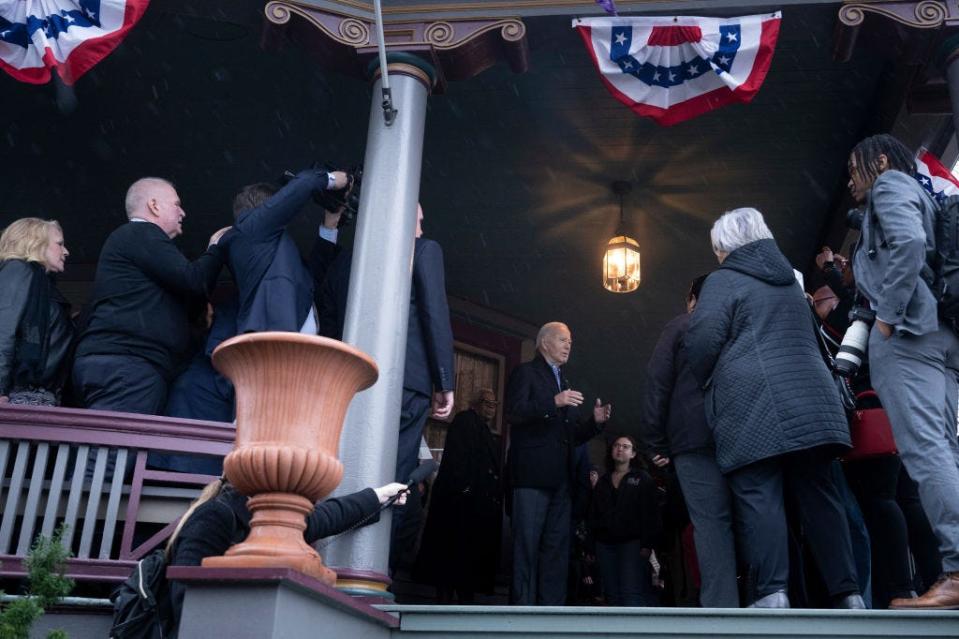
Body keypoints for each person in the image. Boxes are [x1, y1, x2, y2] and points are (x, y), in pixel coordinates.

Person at [685, 207, 864, 609]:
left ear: (724, 246)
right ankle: (848, 592)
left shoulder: (723, 281)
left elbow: (701, 343)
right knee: (821, 495)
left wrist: (710, 379)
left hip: (754, 405)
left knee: (758, 492)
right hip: (812, 402)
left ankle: (772, 593)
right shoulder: (789, 279)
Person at [846, 133, 959, 609]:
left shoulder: (891, 186)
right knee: (947, 449)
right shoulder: (922, 196)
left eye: (854, 169)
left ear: (883, 161)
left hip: (908, 336)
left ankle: (956, 571)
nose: (850, 180)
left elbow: (909, 242)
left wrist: (887, 317)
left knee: (926, 451)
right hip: (940, 335)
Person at [319, 204, 456, 487]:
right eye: (419, 221)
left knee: (347, 470)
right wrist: (444, 382)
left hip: (350, 384)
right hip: (404, 382)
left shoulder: (343, 263)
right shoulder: (424, 250)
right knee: (393, 478)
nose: (422, 229)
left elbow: (330, 329)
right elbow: (435, 316)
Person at [165, 478, 409, 635]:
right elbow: (184, 598)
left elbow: (326, 516)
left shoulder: (268, 514)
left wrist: (377, 496)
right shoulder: (215, 515)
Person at [72, 178, 230, 415]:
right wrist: (216, 247)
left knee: (116, 447)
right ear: (154, 205)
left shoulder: (131, 244)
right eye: (177, 204)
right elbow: (193, 280)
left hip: (120, 364)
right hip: (128, 365)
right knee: (117, 448)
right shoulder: (140, 233)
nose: (183, 212)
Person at [641, 274, 739, 608]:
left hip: (693, 438)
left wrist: (654, 441)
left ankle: (721, 609)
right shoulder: (738, 328)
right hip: (741, 434)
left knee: (710, 523)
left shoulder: (681, 326)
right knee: (751, 515)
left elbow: (657, 381)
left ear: (691, 298)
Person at [505, 321, 612, 605]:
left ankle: (550, 613)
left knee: (556, 551)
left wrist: (595, 424)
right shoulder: (525, 373)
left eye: (570, 341)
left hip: (561, 481)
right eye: (563, 339)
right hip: (530, 476)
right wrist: (553, 402)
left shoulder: (563, 382)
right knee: (526, 548)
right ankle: (521, 615)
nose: (568, 345)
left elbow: (571, 436)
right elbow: (514, 413)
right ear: (544, 343)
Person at [225, 167, 349, 335]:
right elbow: (305, 182)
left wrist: (330, 225)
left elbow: (311, 281)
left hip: (296, 352)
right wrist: (334, 179)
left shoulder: (275, 253)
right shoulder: (251, 228)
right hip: (275, 348)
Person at [416, 388, 503, 603]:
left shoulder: (484, 429)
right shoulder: (465, 421)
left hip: (474, 506)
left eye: (494, 404)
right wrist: (466, 491)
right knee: (450, 556)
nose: (491, 408)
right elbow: (459, 463)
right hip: (459, 504)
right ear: (475, 404)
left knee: (468, 561)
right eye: (487, 403)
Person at [0, 218, 74, 406]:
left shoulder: (42, 285)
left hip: (38, 397)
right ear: (35, 242)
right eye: (59, 244)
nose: (66, 251)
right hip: (17, 397)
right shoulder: (18, 270)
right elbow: (3, 329)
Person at [587, 435, 661, 606]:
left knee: (631, 591)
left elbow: (651, 514)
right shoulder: (603, 481)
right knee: (611, 593)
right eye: (616, 445)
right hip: (604, 544)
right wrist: (590, 545)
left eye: (625, 446)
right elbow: (593, 515)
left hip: (632, 543)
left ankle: (634, 632)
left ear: (633, 453)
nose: (620, 449)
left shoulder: (642, 478)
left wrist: (647, 544)